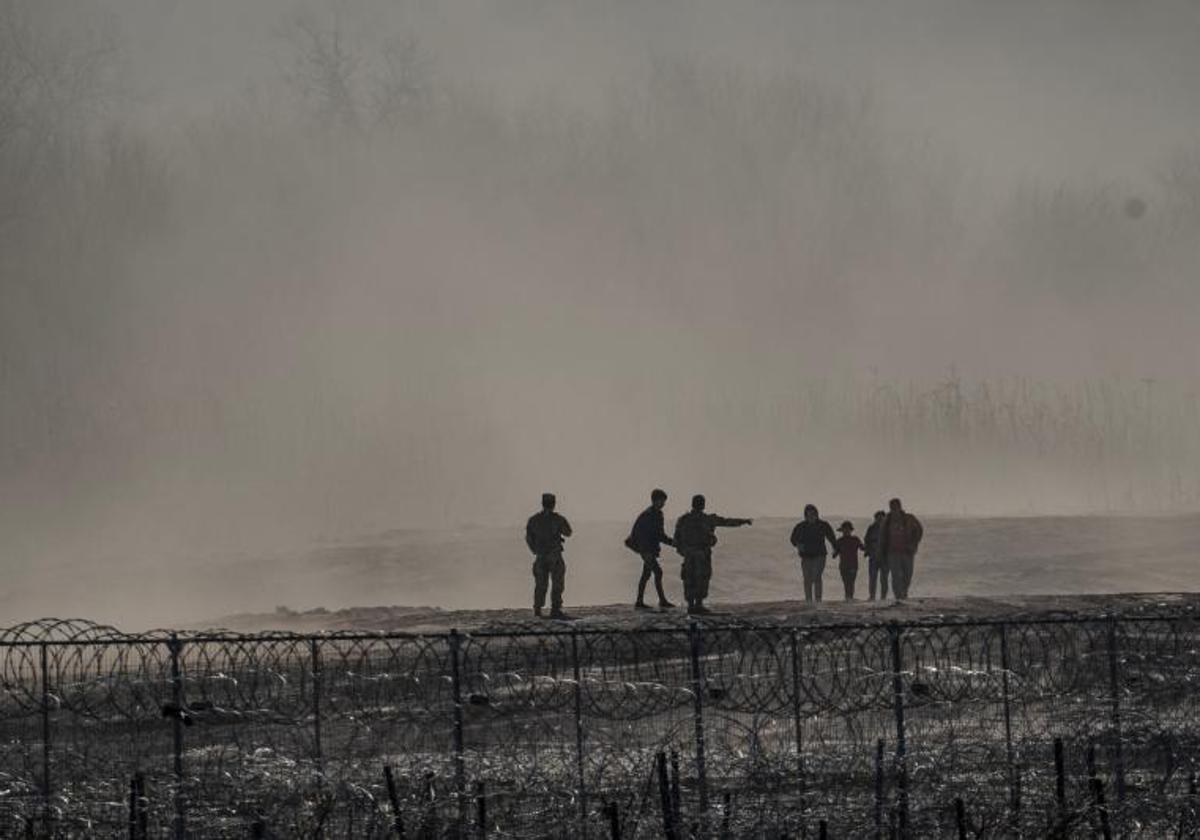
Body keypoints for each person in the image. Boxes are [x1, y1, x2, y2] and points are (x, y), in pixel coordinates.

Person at [672, 495, 752, 615]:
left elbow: (676, 539)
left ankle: (691, 605)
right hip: (702, 554)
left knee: (689, 578)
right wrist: (744, 521)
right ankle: (698, 605)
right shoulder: (707, 519)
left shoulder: (683, 519)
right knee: (701, 578)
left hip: (689, 554)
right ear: (703, 505)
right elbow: (727, 522)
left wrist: (682, 551)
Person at [526, 493, 573, 619]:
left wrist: (535, 550)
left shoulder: (534, 520)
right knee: (557, 583)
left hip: (541, 556)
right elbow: (568, 532)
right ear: (553, 504)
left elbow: (529, 538)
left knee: (541, 584)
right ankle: (555, 609)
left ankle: (537, 609)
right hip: (554, 555)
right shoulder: (557, 519)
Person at [627, 488, 676, 610]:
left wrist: (672, 542)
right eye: (662, 501)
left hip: (649, 549)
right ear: (655, 500)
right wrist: (673, 543)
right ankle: (661, 600)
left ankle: (640, 601)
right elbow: (654, 534)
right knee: (658, 572)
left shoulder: (657, 514)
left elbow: (660, 534)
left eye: (664, 501)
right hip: (646, 549)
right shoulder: (648, 515)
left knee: (646, 574)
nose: (664, 504)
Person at [790, 504, 837, 602]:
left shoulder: (823, 525)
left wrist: (835, 549)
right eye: (808, 514)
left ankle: (818, 599)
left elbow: (832, 538)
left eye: (813, 514)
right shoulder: (801, 526)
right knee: (807, 579)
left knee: (817, 576)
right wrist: (798, 545)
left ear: (816, 514)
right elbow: (793, 539)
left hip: (820, 555)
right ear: (805, 515)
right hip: (806, 556)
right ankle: (808, 600)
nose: (811, 516)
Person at [880, 497, 924, 601]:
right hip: (892, 552)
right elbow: (882, 537)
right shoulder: (887, 520)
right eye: (892, 507)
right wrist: (881, 552)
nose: (894, 509)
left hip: (907, 552)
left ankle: (904, 592)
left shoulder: (909, 518)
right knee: (896, 576)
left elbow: (919, 530)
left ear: (900, 507)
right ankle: (899, 597)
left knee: (907, 575)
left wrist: (914, 544)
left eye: (895, 507)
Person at [833, 521, 864, 601]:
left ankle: (849, 597)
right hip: (843, 565)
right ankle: (848, 597)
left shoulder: (855, 539)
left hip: (853, 564)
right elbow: (835, 554)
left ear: (850, 530)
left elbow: (863, 548)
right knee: (846, 582)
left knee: (851, 581)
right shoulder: (840, 541)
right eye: (844, 530)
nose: (846, 531)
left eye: (847, 530)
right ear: (842, 531)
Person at [864, 510, 888, 601]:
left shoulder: (888, 529)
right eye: (878, 518)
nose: (880, 520)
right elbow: (866, 540)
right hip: (873, 556)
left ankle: (883, 597)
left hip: (885, 557)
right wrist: (867, 551)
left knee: (884, 578)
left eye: (882, 518)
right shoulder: (871, 528)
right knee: (872, 577)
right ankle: (872, 596)